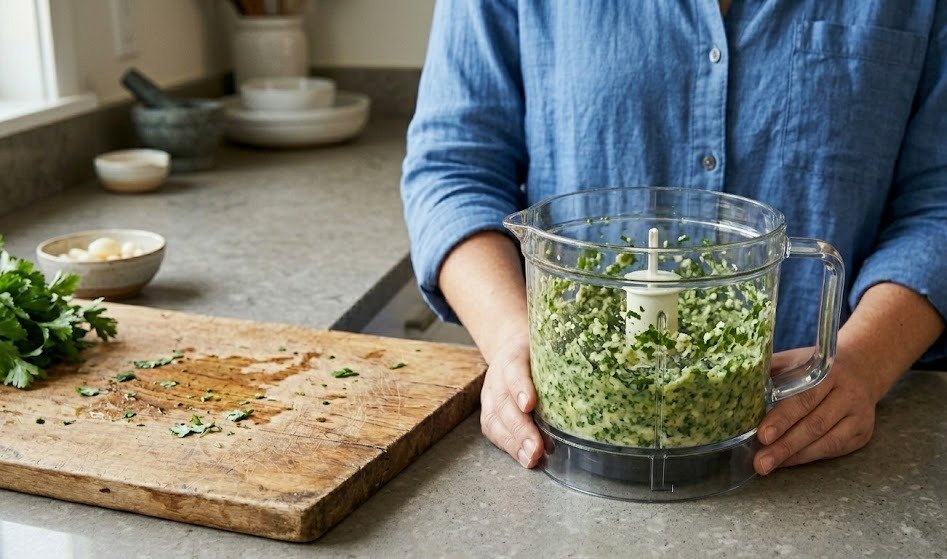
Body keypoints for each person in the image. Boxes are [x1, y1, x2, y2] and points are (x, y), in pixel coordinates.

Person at [400, 1, 947, 474]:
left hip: (821, 451)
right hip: (578, 437)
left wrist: (863, 361)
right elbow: (454, 169)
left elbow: (938, 201)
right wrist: (513, 338)